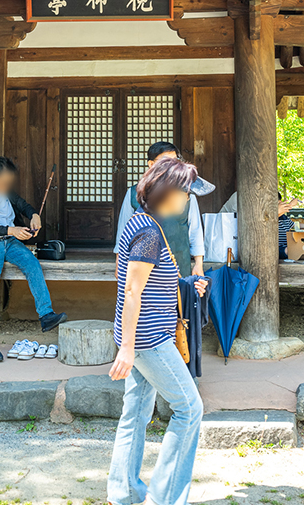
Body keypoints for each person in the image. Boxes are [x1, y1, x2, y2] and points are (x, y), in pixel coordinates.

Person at [108, 157, 206, 505]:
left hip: (140, 336)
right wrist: (129, 349)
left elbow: (143, 284)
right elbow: (132, 291)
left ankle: (123, 493)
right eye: (187, 192)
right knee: (190, 409)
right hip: (148, 340)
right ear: (171, 193)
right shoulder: (149, 232)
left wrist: (184, 285)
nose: (189, 198)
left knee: (135, 413)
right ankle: (163, 498)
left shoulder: (143, 223)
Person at [0, 156, 67, 364]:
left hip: (10, 242)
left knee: (32, 264)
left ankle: (46, 315)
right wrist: (11, 230)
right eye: (4, 182)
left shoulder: (8, 193)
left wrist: (33, 215)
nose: (7, 186)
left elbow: (24, 206)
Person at [114, 142, 209, 278]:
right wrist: (119, 260)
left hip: (179, 261)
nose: (171, 165)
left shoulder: (187, 192)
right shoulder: (133, 193)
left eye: (174, 161)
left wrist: (199, 264)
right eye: (165, 162)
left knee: (178, 298)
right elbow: (123, 230)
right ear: (151, 164)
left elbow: (195, 230)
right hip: (141, 263)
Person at [278, 193, 299, 259]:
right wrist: (291, 205)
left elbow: (293, 225)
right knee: (292, 250)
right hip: (275, 249)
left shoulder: (283, 217)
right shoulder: (267, 215)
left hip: (286, 245)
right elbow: (272, 216)